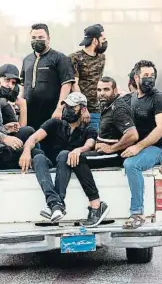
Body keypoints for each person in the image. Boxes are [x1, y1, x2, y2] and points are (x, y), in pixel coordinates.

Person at [19, 92, 109, 226]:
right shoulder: (54, 123)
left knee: (64, 154)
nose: (67, 110)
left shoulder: (88, 129)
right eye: (66, 106)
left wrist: (79, 150)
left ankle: (56, 205)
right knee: (38, 157)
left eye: (72, 107)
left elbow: (90, 144)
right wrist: (26, 151)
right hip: (50, 165)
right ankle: (56, 204)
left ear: (83, 109)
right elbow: (34, 138)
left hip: (69, 166)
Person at [122, 60, 162, 229]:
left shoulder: (160, 99)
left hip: (157, 149)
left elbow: (161, 129)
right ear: (136, 78)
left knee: (131, 165)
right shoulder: (133, 99)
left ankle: (137, 213)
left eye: (152, 76)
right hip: (140, 148)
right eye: (145, 76)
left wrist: (137, 147)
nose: (149, 79)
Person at [20, 23, 75, 131]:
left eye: (41, 37)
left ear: (48, 39)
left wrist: (59, 108)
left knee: (51, 145)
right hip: (29, 114)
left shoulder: (60, 58)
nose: (37, 40)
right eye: (34, 38)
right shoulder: (27, 59)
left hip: (52, 113)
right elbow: (23, 84)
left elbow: (67, 84)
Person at [81, 76, 138, 169]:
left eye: (106, 89)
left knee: (78, 159)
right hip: (105, 152)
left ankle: (90, 185)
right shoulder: (107, 104)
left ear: (115, 91)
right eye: (99, 90)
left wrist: (111, 148)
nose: (102, 93)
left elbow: (133, 135)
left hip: (116, 155)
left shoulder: (118, 109)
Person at [69, 24, 107, 130]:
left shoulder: (102, 58)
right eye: (103, 39)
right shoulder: (75, 58)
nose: (105, 42)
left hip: (97, 110)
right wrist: (83, 108)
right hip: (79, 111)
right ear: (95, 41)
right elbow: (74, 84)